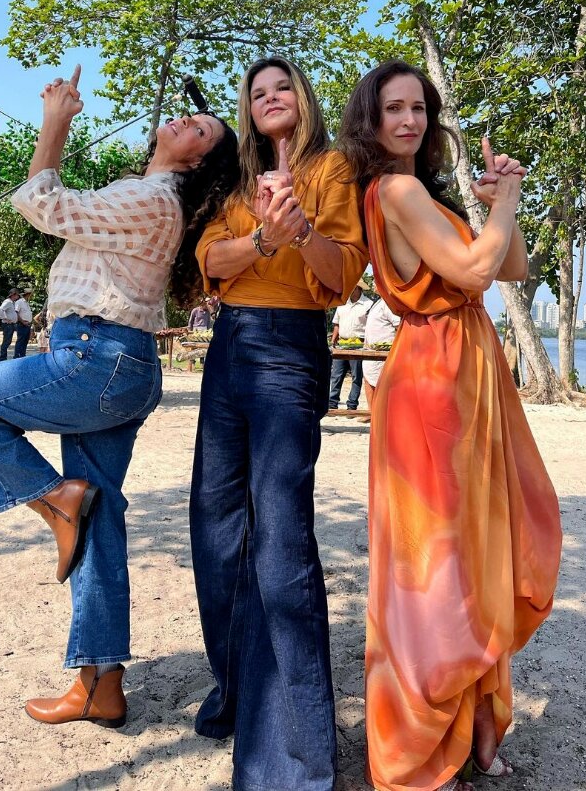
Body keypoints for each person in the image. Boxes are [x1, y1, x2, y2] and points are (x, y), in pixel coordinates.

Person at [0, 66, 240, 728]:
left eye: (203, 129)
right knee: (100, 521)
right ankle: (100, 683)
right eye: (192, 115)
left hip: (97, 357)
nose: (189, 120)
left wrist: (56, 122)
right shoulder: (143, 193)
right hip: (112, 361)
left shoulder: (157, 200)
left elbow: (43, 203)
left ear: (201, 162)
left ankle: (53, 499)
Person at [337, 60, 562, 791]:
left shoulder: (412, 192)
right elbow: (470, 270)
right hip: (435, 377)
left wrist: (502, 203)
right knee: (436, 571)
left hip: (460, 372)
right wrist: (505, 203)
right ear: (369, 121)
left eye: (419, 109)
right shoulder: (395, 188)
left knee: (465, 555)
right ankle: (424, 749)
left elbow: (510, 265)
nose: (409, 121)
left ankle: (468, 729)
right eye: (393, 108)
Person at [190, 56, 368, 791]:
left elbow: (343, 270)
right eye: (258, 91)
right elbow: (211, 259)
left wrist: (294, 232)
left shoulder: (331, 169)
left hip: (291, 347)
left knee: (282, 539)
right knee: (215, 522)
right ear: (248, 106)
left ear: (302, 97)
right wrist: (261, 238)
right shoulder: (238, 177)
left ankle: (293, 760)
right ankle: (238, 689)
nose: (270, 98)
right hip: (228, 345)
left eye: (281, 87)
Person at [328, 278, 372, 411]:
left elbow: (371, 326)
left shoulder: (368, 304)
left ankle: (352, 404)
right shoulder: (342, 303)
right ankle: (332, 402)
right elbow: (337, 323)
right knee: (336, 374)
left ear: (358, 288)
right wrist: (333, 340)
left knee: (356, 376)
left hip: (359, 342)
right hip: (342, 342)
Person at [361, 295, 401, 417]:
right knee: (368, 380)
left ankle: (380, 416)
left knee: (382, 384)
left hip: (383, 352)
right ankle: (373, 414)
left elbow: (398, 325)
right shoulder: (378, 302)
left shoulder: (388, 303)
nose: (374, 284)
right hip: (371, 350)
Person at [0, 288, 20, 361]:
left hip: (11, 324)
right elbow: (0, 309)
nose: (18, 296)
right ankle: (2, 358)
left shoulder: (12, 302)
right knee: (6, 341)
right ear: (13, 295)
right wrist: (5, 318)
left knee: (8, 341)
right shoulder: (8, 302)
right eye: (17, 295)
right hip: (8, 324)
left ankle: (3, 357)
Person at [13, 288, 34, 357]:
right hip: (22, 325)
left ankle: (22, 355)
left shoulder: (26, 303)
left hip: (27, 325)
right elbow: (16, 313)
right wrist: (22, 321)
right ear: (28, 294)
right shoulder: (19, 302)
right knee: (20, 341)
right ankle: (17, 356)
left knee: (25, 341)